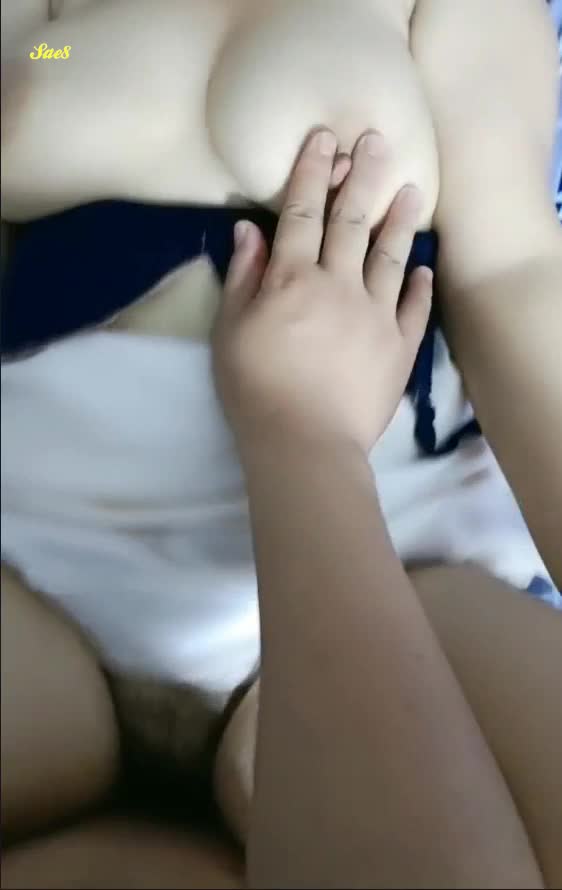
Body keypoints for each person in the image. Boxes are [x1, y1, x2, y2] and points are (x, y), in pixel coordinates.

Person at [1, 0, 562, 886]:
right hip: (39, 562)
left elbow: (512, 272)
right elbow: (32, 63)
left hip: (395, 563)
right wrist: (52, 58)